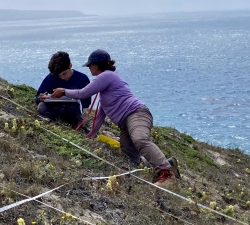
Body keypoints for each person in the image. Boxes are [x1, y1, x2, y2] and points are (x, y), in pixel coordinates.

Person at [50, 49, 180, 186]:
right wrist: (90, 135)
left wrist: (64, 91)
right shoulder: (106, 86)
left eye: (89, 65)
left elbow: (82, 93)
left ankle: (167, 173)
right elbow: (101, 113)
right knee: (130, 158)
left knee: (140, 139)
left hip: (136, 114)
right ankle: (166, 164)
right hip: (125, 122)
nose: (89, 68)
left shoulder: (106, 76)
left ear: (96, 65)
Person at [36, 51, 91, 128]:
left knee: (72, 108)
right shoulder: (51, 77)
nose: (62, 77)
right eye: (59, 75)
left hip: (73, 109)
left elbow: (87, 102)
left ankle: (72, 124)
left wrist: (75, 99)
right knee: (42, 106)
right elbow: (38, 96)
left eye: (64, 74)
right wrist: (41, 98)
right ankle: (57, 122)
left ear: (70, 65)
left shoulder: (82, 78)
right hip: (55, 108)